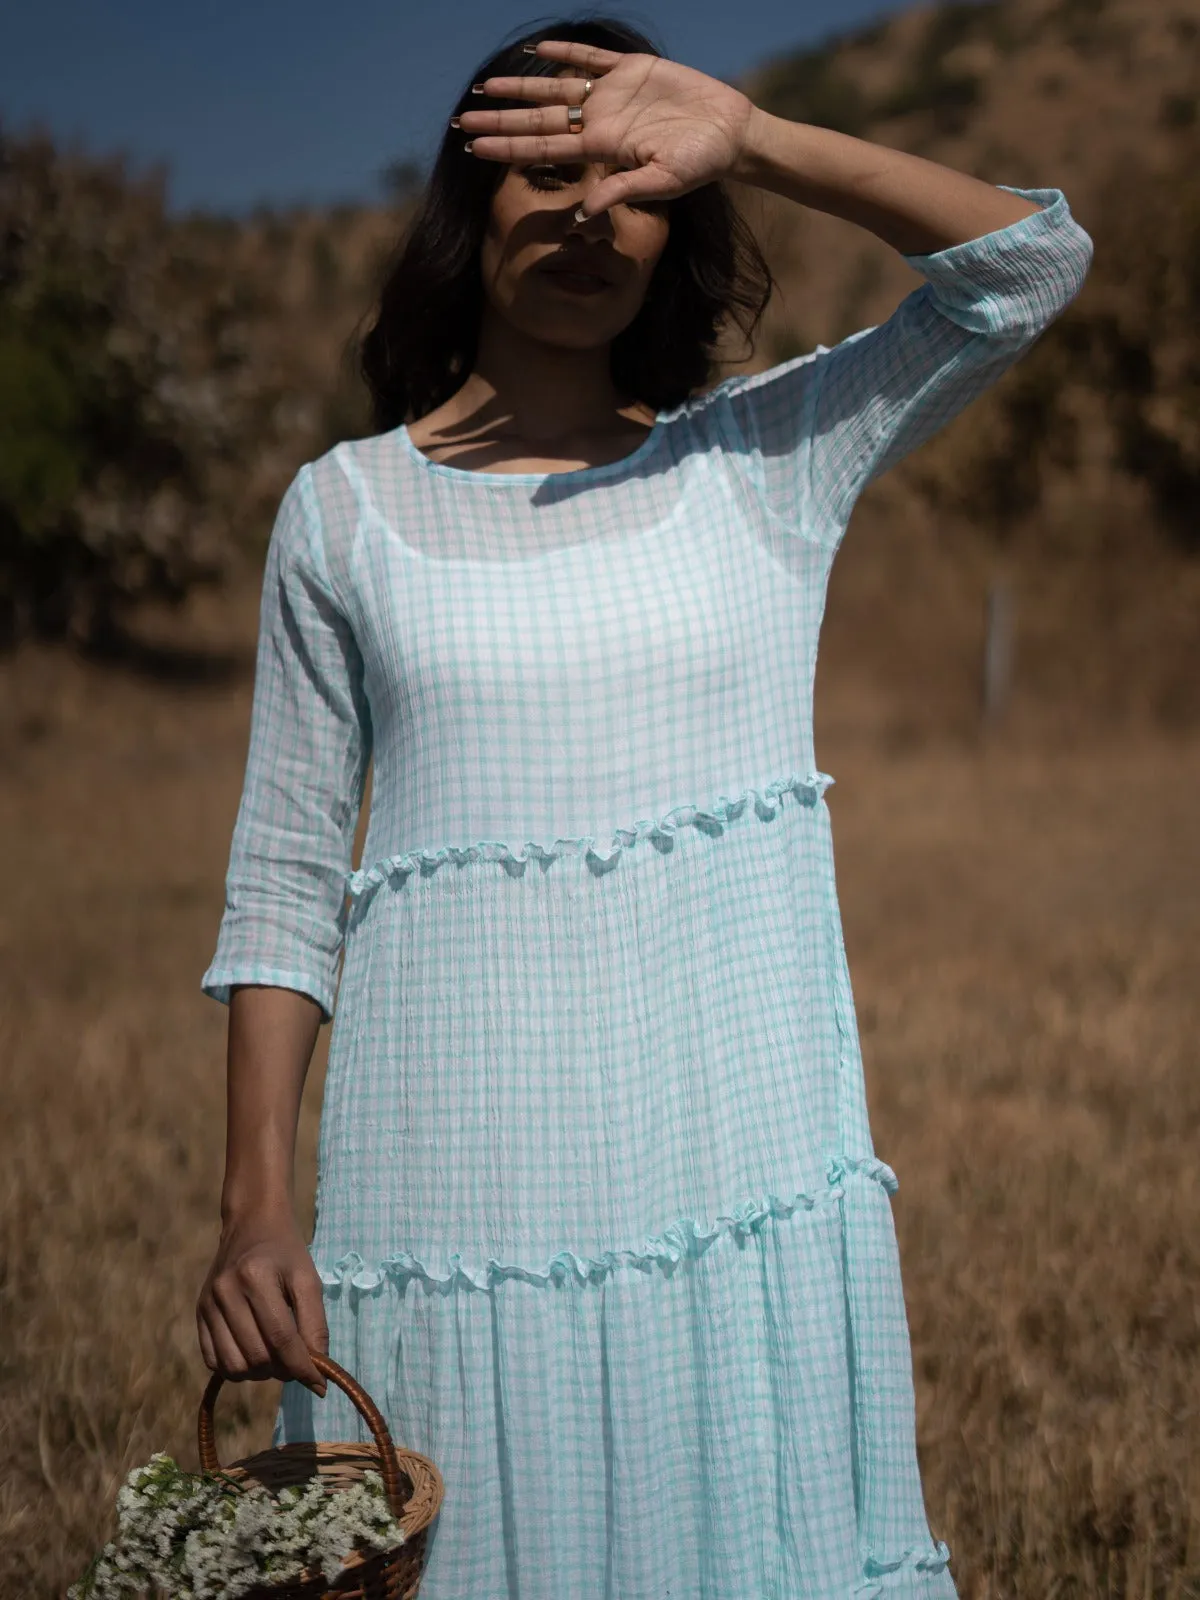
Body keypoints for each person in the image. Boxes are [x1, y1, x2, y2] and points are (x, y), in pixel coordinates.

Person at [197, 17, 1092, 1598]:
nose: (590, 207)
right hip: (455, 1197)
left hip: (725, 1181)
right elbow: (281, 883)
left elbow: (1027, 266)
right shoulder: (342, 515)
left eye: (634, 173)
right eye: (547, 168)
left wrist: (750, 135)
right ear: (463, 217)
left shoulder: (761, 463)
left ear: (679, 218)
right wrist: (256, 1206)